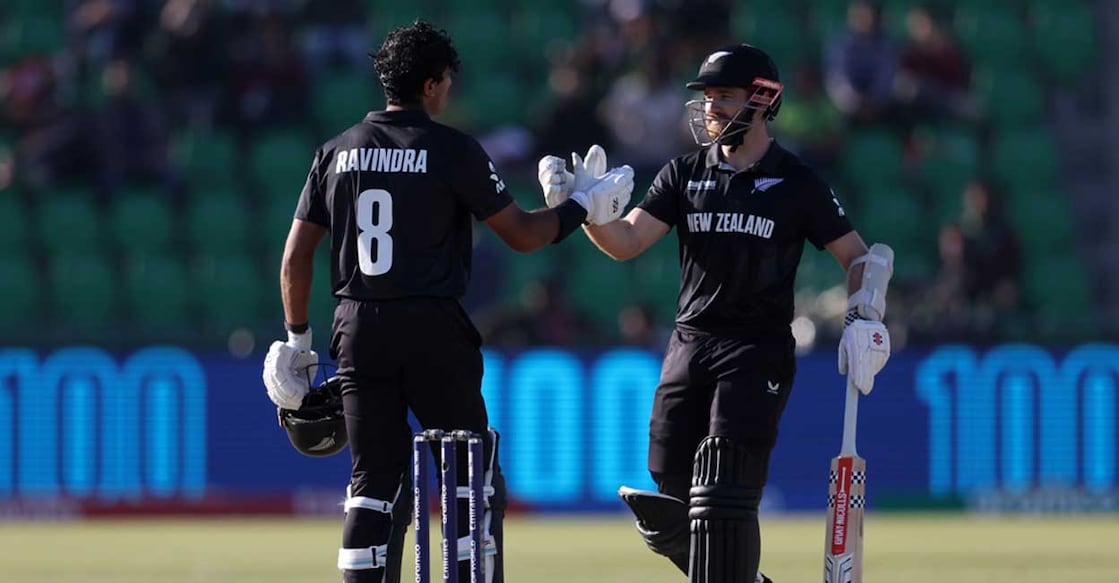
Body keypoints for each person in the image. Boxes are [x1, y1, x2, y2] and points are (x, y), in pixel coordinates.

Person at [260, 21, 634, 583]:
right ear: (433, 85)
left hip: (359, 328)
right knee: (468, 478)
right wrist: (582, 206)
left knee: (372, 483)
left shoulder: (335, 152)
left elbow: (295, 258)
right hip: (434, 329)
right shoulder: (451, 149)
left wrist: (297, 340)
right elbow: (525, 236)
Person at [538, 43, 893, 583]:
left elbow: (859, 258)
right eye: (706, 98)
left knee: (725, 492)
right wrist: (582, 210)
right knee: (668, 502)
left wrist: (864, 315)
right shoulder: (683, 174)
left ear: (762, 99)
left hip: (756, 350)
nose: (710, 109)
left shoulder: (796, 181)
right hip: (689, 345)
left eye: (723, 97)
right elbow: (628, 240)